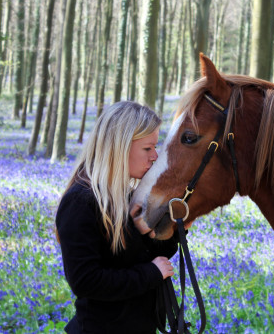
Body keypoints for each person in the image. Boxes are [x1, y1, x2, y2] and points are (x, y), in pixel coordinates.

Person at [55, 101, 180, 334]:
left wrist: (172, 228)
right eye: (148, 148)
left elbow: (148, 256)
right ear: (119, 146)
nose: (155, 156)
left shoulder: (126, 196)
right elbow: (85, 280)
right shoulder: (80, 202)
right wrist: (150, 274)